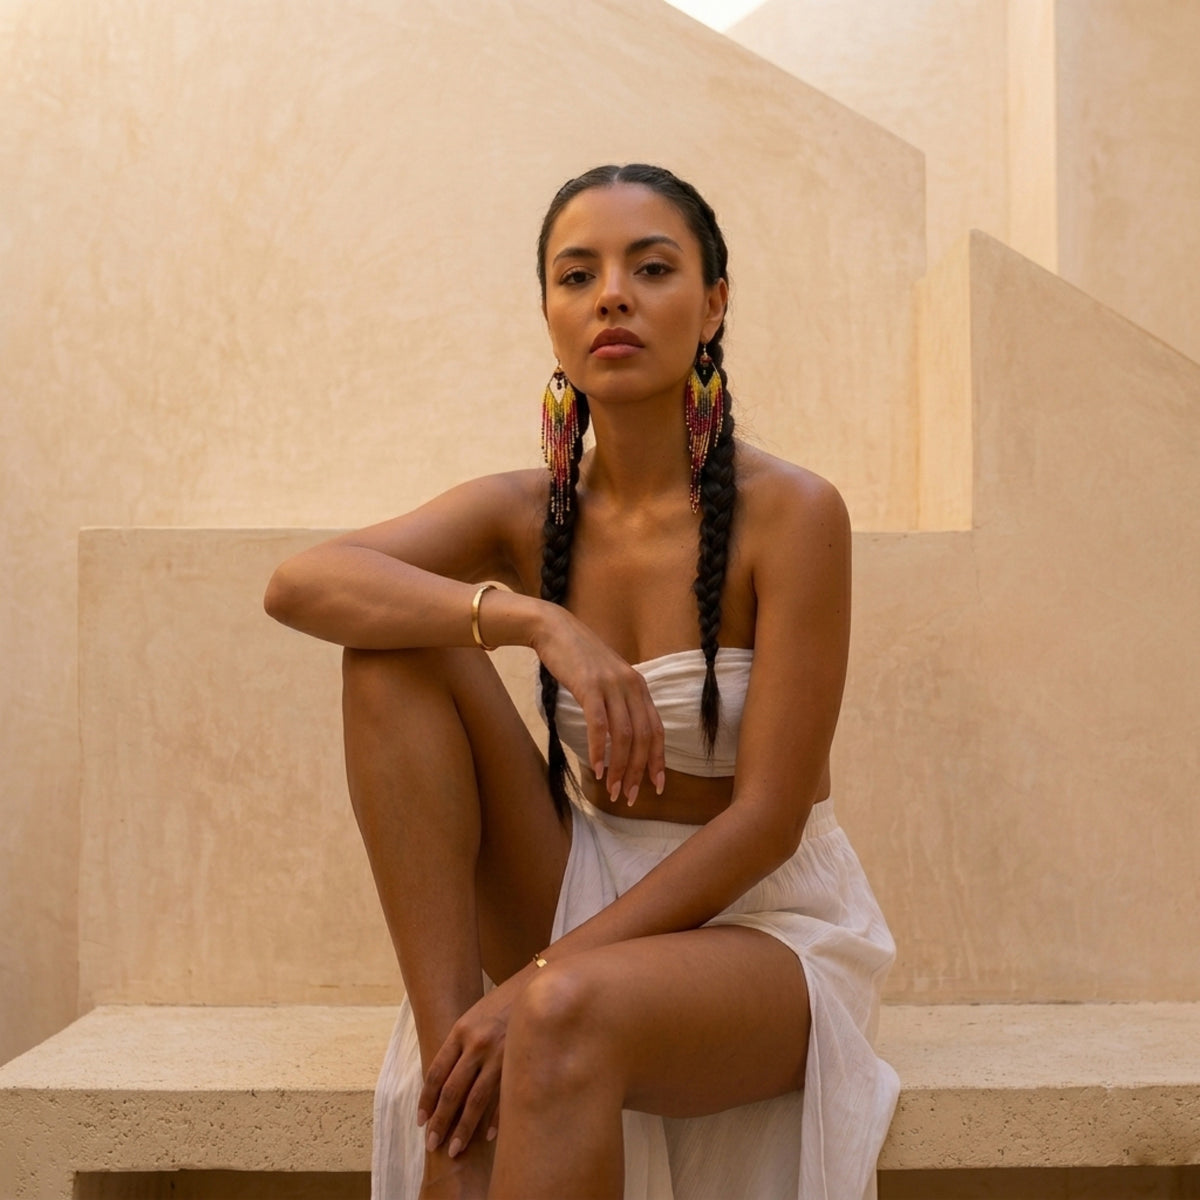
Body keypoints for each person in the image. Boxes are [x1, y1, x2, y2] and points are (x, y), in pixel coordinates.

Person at [265, 163, 899, 1200]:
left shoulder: (793, 514)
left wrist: (533, 982)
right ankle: (455, 1108)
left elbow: (770, 821)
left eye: (651, 268)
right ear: (551, 317)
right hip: (583, 880)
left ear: (714, 305)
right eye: (577, 275)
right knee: (393, 649)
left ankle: (499, 1042)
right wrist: (531, 618)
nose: (611, 296)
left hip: (762, 923)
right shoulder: (526, 514)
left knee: (560, 1010)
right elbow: (301, 584)